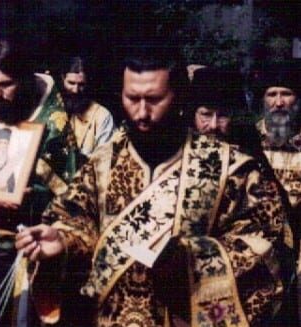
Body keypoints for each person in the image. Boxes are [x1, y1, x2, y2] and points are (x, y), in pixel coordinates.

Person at [16, 45, 289, 326]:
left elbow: (267, 246)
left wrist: (193, 261)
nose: (142, 113)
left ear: (180, 97)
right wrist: (63, 239)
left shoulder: (231, 169)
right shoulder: (103, 163)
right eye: (132, 98)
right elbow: (75, 216)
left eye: (154, 99)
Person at [0, 39, 78, 326]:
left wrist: (28, 198)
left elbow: (73, 195)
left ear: (25, 80)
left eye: (6, 84)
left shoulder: (55, 123)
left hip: (30, 245)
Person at [253, 62, 301, 325]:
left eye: (286, 94)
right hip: (258, 258)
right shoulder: (245, 142)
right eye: (272, 94)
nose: (279, 102)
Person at [59, 56, 114, 157]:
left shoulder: (102, 116)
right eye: (71, 83)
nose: (75, 90)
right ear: (63, 79)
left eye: (81, 84)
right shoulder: (54, 109)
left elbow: (102, 161)